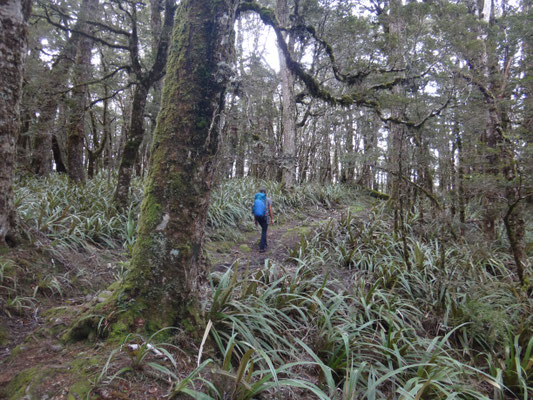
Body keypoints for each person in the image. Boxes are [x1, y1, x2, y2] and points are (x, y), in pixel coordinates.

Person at [253, 187, 273, 253]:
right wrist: (272, 218)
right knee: (264, 231)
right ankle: (262, 248)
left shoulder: (257, 199)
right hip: (265, 217)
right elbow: (270, 209)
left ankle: (265, 243)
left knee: (263, 229)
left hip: (258, 217)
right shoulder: (268, 199)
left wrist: (255, 220)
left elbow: (255, 210)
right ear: (265, 192)